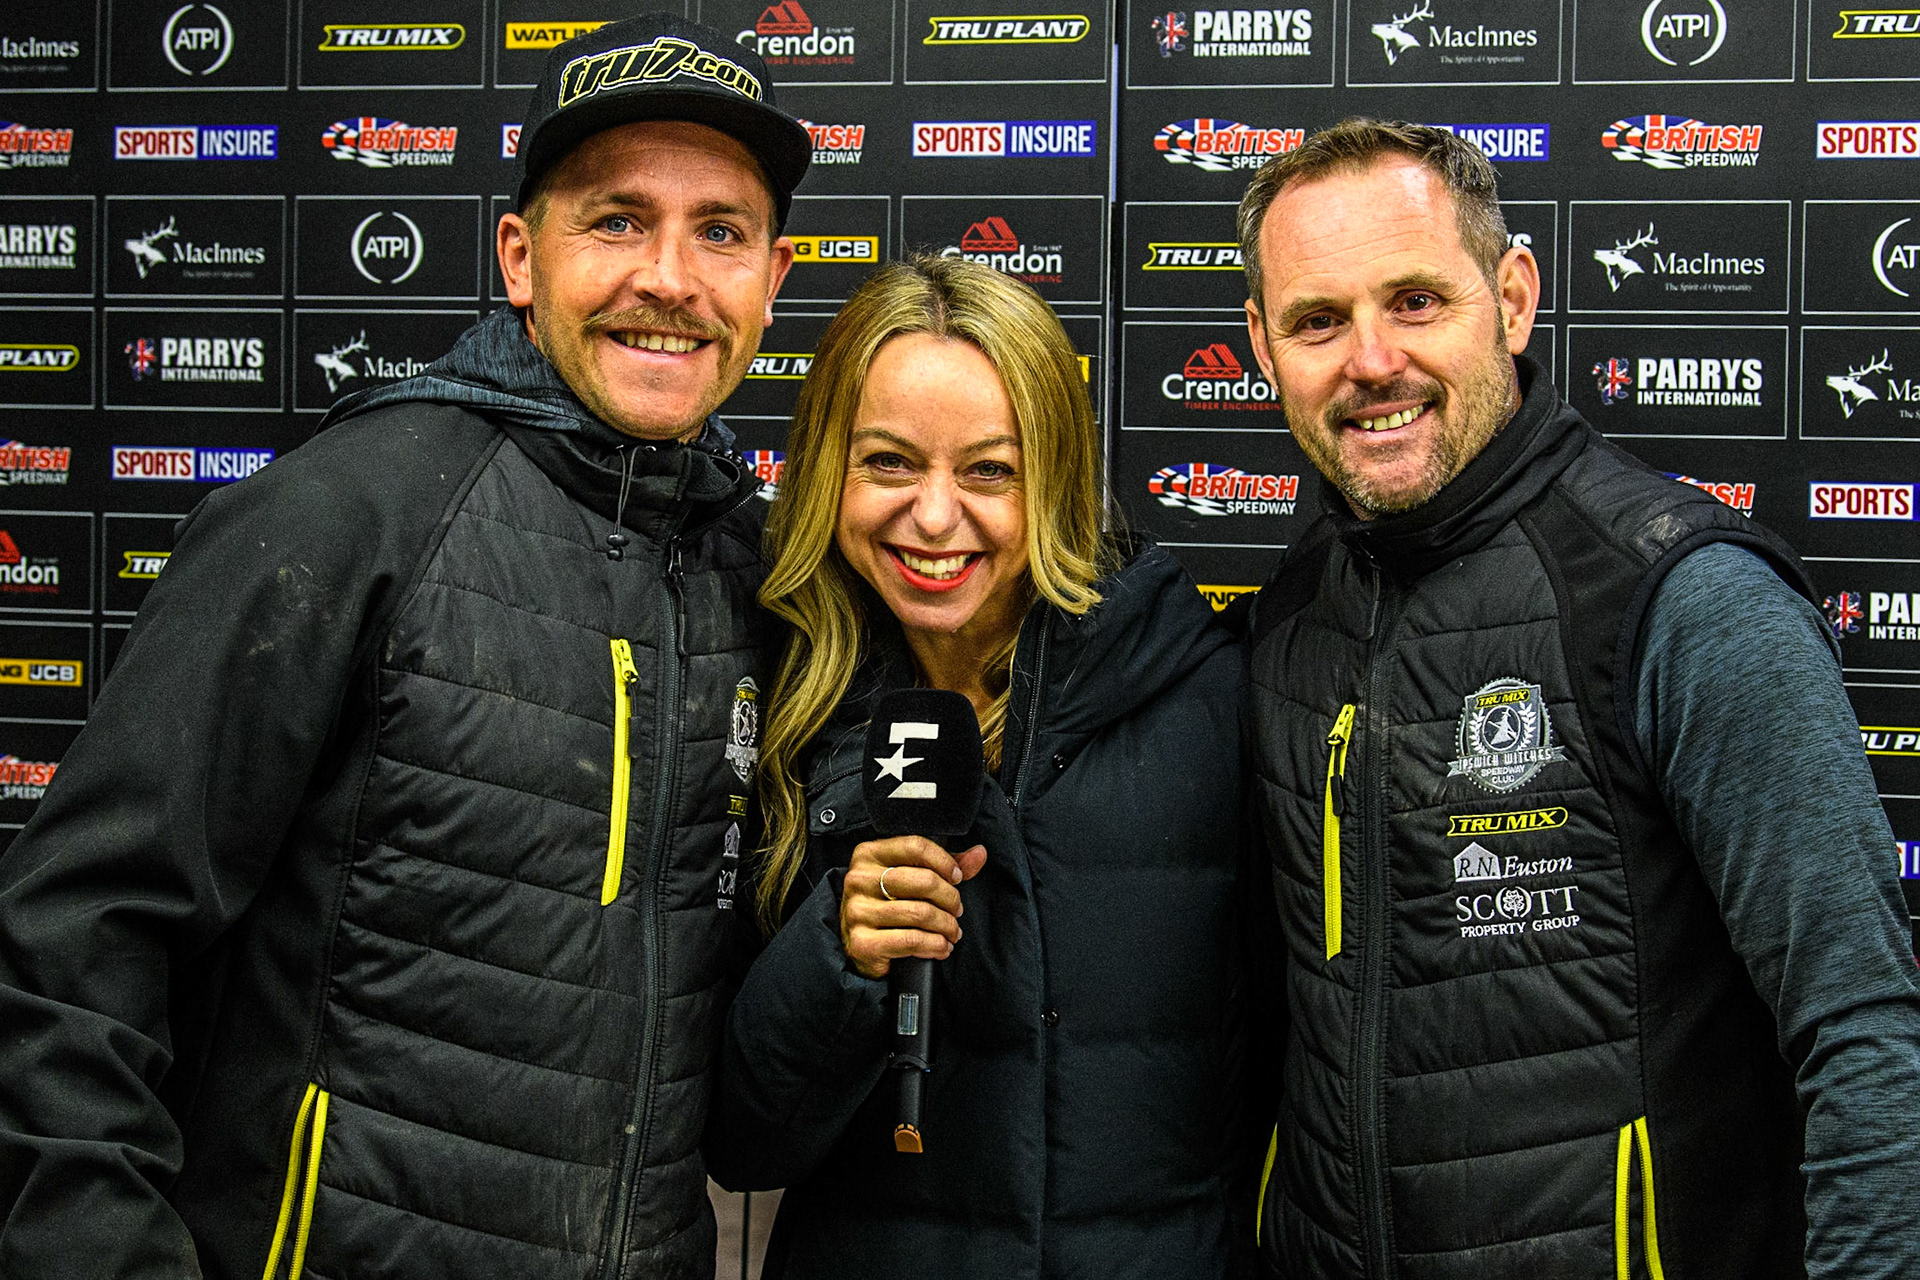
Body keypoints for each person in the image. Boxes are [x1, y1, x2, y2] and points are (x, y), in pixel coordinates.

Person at [0, 15, 806, 1279]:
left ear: (771, 279)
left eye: (720, 230)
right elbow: (75, 938)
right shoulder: (348, 512)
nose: (670, 275)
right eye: (615, 219)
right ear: (519, 257)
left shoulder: (758, 573)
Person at [1235, 118, 1920, 1279]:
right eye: (1317, 320)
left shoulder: (1686, 599)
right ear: (1260, 343)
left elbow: (1864, 1031)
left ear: (1511, 298)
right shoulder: (1286, 622)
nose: (1369, 360)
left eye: (1415, 301)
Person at [703, 255, 1264, 1278]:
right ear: (829, 466)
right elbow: (745, 1139)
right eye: (887, 462)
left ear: (1052, 476)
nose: (932, 515)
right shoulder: (779, 711)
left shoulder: (1213, 704)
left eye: (988, 470)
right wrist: (840, 951)